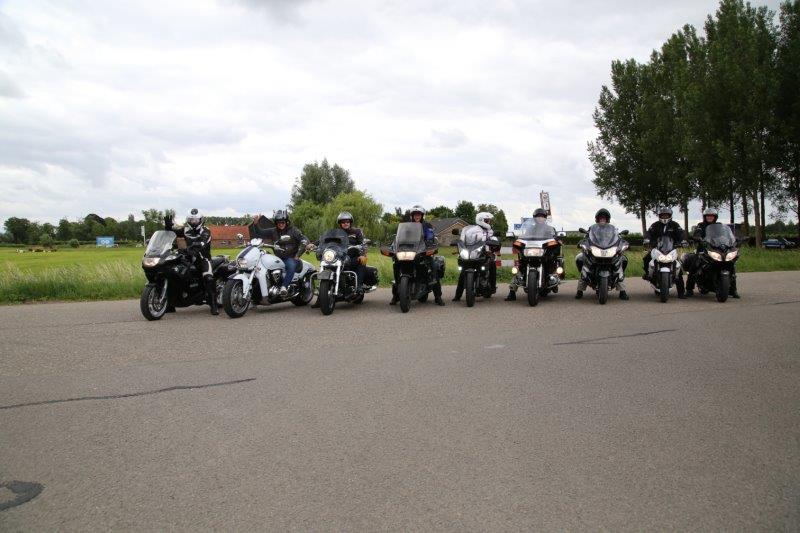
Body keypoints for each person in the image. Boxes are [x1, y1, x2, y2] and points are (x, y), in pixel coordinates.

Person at [164, 208, 218, 315]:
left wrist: (198, 244)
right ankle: (170, 303)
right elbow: (172, 233)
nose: (193, 222)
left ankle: (213, 304)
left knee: (208, 277)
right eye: (191, 220)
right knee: (173, 273)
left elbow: (204, 241)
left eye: (195, 220)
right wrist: (168, 226)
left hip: (202, 258)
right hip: (187, 257)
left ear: (200, 220)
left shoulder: (205, 230)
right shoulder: (185, 230)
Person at [390, 205, 445, 306]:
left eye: (419, 214)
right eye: (415, 214)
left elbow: (430, 235)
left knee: (433, 268)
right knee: (396, 265)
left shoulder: (426, 225)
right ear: (412, 216)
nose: (417, 216)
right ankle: (396, 296)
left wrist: (430, 243)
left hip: (422, 250)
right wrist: (394, 245)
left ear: (422, 215)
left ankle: (438, 297)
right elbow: (400, 237)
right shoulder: (407, 226)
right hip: (407, 251)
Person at [684, 207, 740, 298]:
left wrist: (734, 239)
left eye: (711, 216)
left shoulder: (720, 226)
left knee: (731, 265)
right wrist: (697, 237)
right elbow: (697, 233)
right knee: (694, 265)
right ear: (705, 217)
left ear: (715, 217)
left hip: (717, 249)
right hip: (703, 249)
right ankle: (689, 289)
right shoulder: (701, 226)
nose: (709, 217)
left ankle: (733, 290)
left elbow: (726, 235)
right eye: (708, 216)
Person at [575, 208, 629, 300]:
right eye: (601, 218)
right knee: (580, 259)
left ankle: (622, 291)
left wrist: (621, 243)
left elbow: (617, 238)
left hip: (609, 250)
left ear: (607, 219)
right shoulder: (592, 229)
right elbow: (586, 238)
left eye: (604, 218)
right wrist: (583, 242)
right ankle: (580, 290)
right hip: (595, 250)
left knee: (622, 260)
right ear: (597, 219)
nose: (602, 219)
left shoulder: (612, 230)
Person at [505, 208, 557, 301]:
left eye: (542, 217)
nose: (540, 218)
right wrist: (517, 241)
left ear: (545, 218)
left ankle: (551, 279)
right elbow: (523, 237)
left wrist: (557, 241)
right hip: (530, 252)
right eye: (538, 217)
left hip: (543, 252)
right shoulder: (530, 229)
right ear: (534, 218)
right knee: (519, 268)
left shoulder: (550, 229)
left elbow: (554, 238)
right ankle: (512, 293)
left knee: (551, 260)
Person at [642, 206, 688, 299]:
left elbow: (681, 233)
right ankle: (648, 274)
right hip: (657, 248)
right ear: (659, 216)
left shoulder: (675, 225)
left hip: (671, 249)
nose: (664, 217)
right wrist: (647, 239)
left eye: (666, 215)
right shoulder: (655, 225)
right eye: (662, 215)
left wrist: (683, 240)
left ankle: (681, 293)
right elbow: (649, 232)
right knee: (646, 258)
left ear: (670, 216)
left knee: (678, 268)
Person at [266, 210, 311, 298]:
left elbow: (304, 239)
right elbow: (260, 232)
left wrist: (298, 255)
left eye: (282, 222)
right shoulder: (273, 231)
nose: (281, 224)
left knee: (291, 265)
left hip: (291, 258)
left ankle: (284, 287)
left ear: (286, 222)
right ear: (276, 223)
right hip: (278, 258)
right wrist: (255, 223)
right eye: (278, 222)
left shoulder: (293, 230)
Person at [452, 211, 497, 302]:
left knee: (492, 264)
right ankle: (457, 295)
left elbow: (493, 238)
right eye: (487, 220)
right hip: (471, 253)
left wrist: (494, 241)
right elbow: (464, 239)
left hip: (484, 253)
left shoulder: (489, 231)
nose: (489, 222)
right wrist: (458, 243)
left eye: (488, 221)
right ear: (481, 220)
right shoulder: (471, 230)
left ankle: (492, 287)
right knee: (462, 273)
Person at [336, 211, 368, 292]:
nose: (345, 223)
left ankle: (359, 285)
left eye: (347, 222)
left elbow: (363, 243)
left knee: (362, 261)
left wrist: (363, 254)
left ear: (350, 222)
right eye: (343, 222)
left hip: (353, 258)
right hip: (338, 258)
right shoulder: (336, 233)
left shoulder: (356, 231)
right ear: (340, 223)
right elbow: (325, 240)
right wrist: (313, 244)